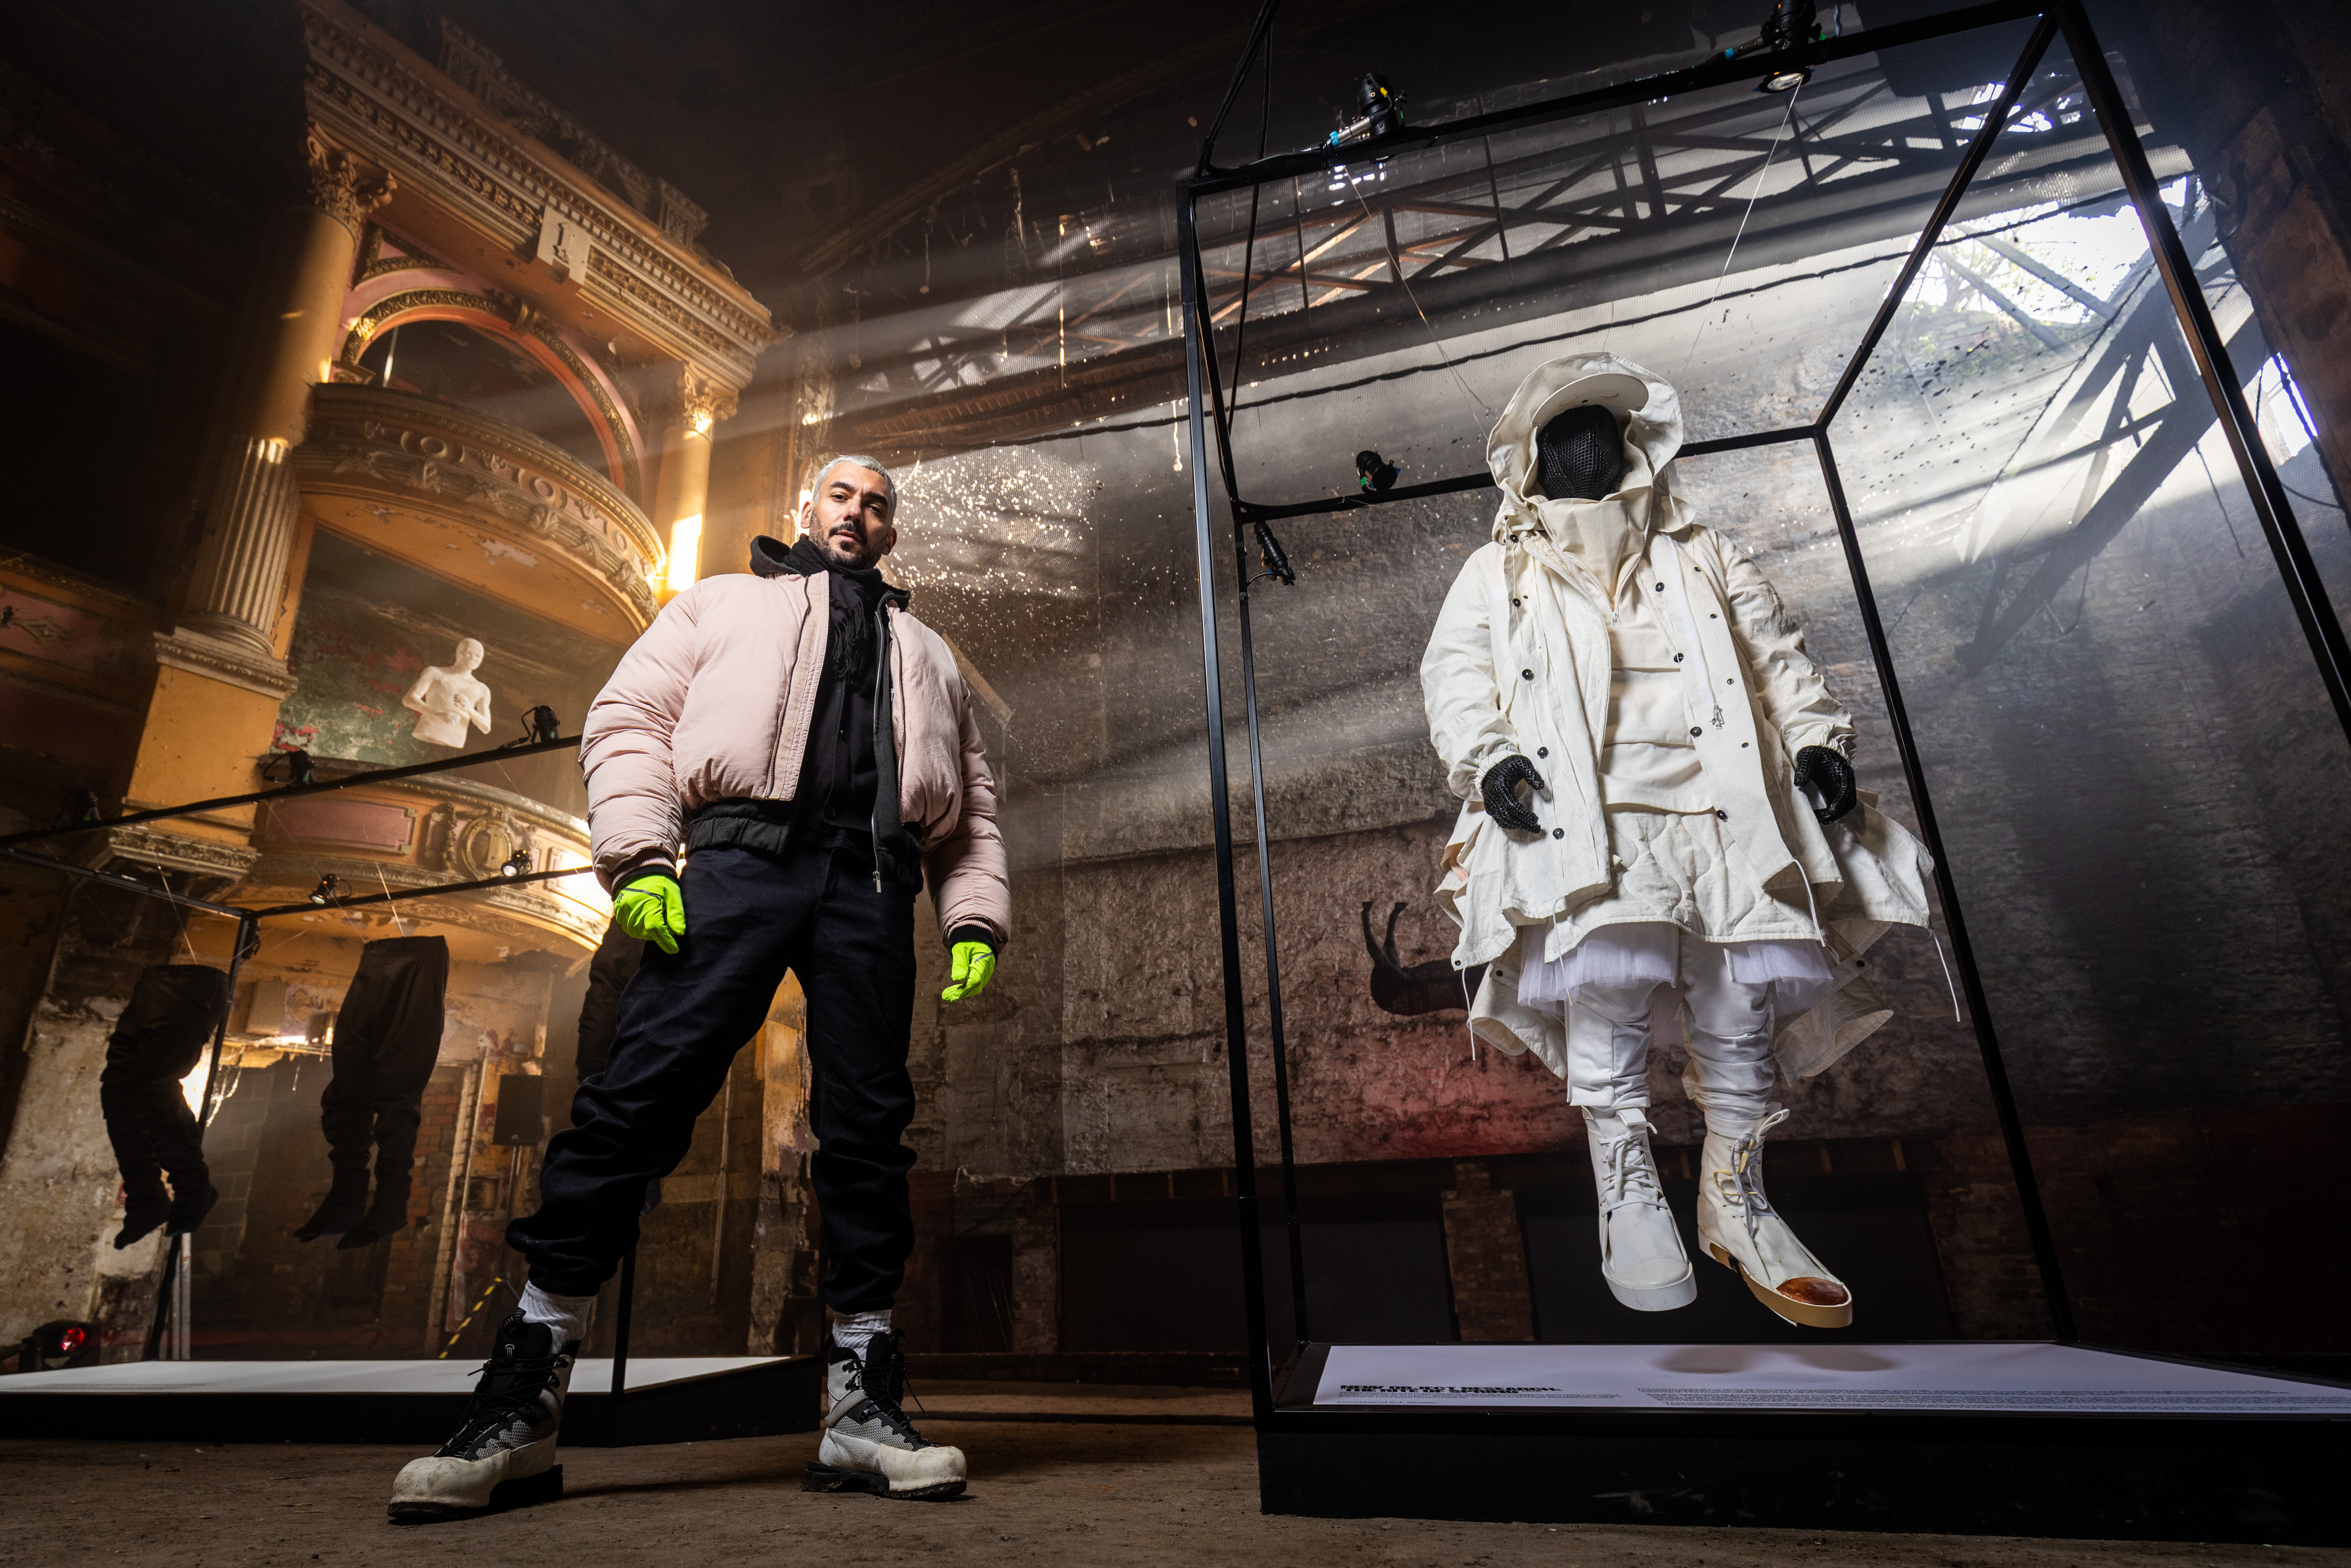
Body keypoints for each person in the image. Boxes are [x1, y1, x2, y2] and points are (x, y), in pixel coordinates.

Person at [388, 456, 1008, 1522]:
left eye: (876, 504)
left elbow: (974, 805)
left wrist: (975, 917)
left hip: (872, 888)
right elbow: (628, 718)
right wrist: (641, 859)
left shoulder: (927, 652)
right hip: (735, 863)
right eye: (840, 496)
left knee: (868, 1133)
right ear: (804, 510)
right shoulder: (719, 604)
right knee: (636, 1101)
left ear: (891, 532)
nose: (856, 513)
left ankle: (859, 1411)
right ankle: (523, 1406)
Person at [1421, 352, 1934, 1331]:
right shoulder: (1497, 572)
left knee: (1738, 997)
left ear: (1637, 443)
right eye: (1565, 431)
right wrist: (1489, 759)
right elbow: (1454, 679)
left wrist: (1816, 740)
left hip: (1727, 804)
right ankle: (1626, 1190)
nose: (1589, 446)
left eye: (1605, 428)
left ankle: (1736, 1201)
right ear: (1529, 456)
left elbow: (1774, 656)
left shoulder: (1705, 550)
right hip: (1586, 810)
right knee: (1607, 994)